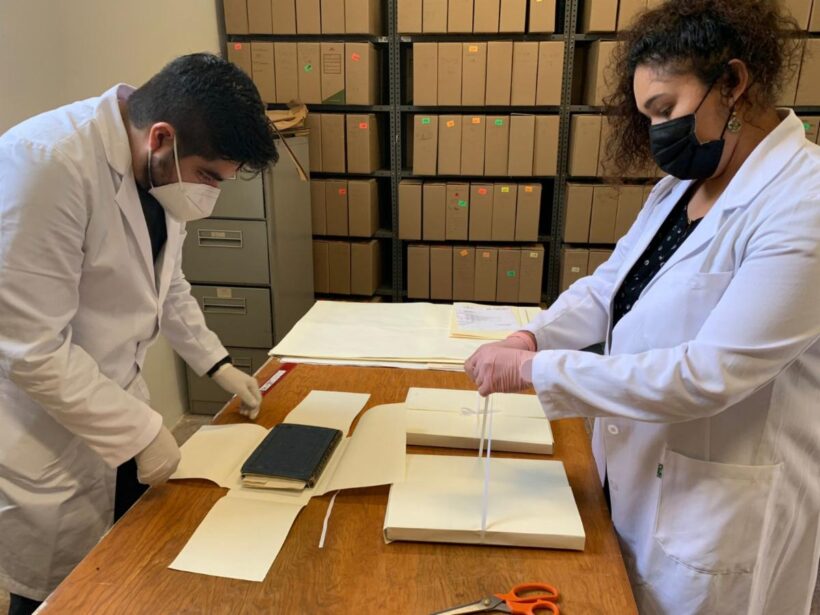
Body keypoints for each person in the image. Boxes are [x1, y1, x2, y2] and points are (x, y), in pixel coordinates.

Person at [465, 1, 819, 613]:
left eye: (666, 109)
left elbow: (709, 375)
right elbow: (609, 288)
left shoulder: (803, 203)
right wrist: (533, 338)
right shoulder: (681, 189)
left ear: (733, 83)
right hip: (639, 476)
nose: (658, 132)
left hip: (720, 510)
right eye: (648, 116)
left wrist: (537, 372)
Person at [0, 53, 279, 614]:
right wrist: (142, 433)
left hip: (117, 404)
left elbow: (166, 285)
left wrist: (217, 363)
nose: (210, 194)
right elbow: (31, 349)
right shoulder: (45, 164)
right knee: (57, 595)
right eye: (209, 176)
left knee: (124, 572)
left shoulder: (157, 168)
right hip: (45, 430)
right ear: (162, 138)